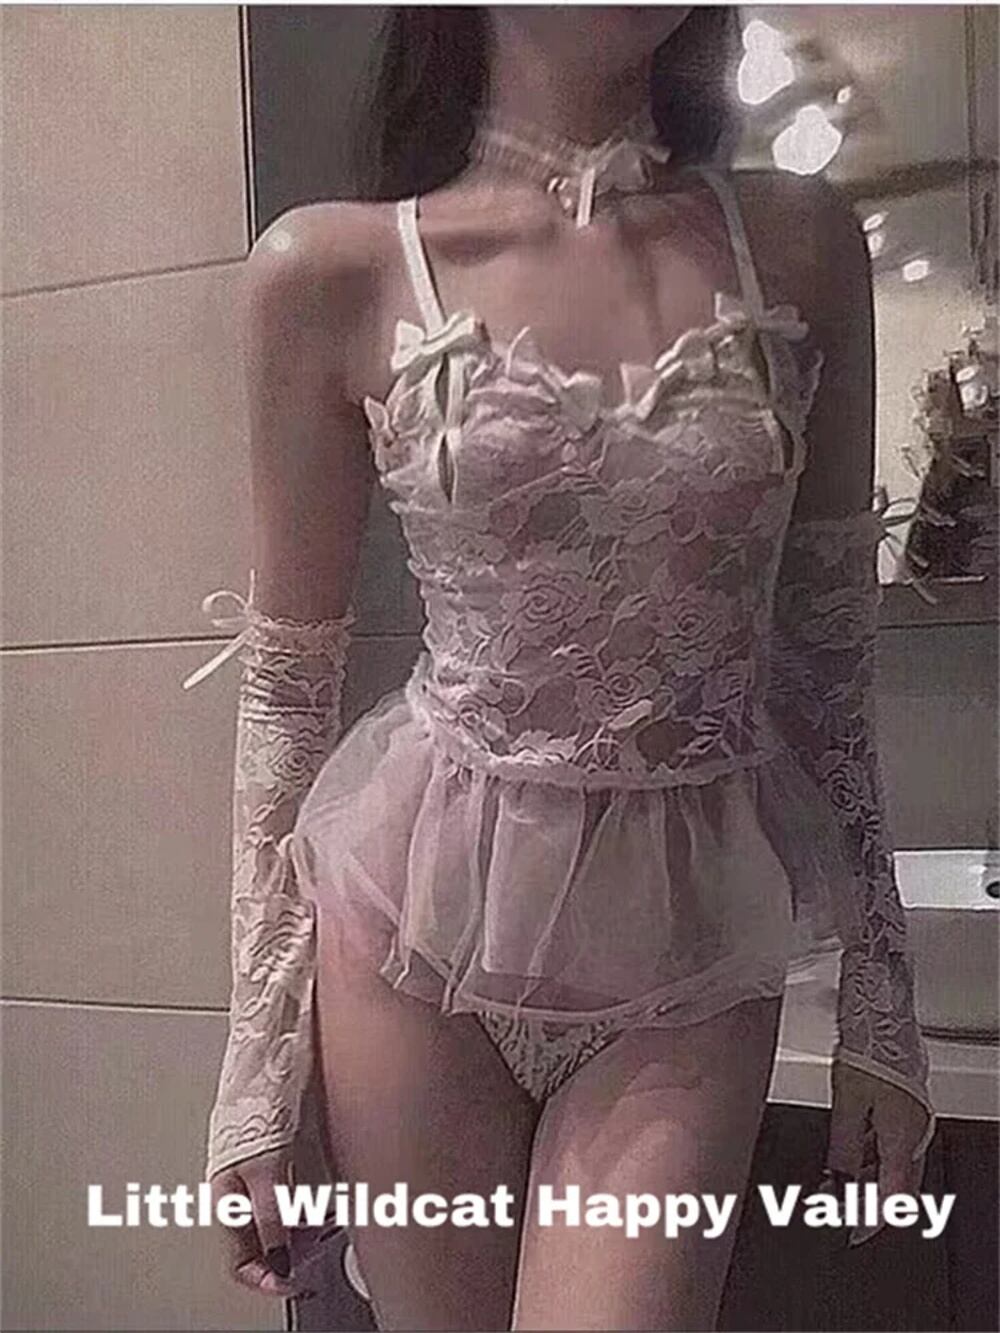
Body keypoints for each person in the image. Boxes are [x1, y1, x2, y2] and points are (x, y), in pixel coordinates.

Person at [184, 7, 937, 1329]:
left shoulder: (797, 244)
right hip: (415, 919)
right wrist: (257, 1071)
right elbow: (288, 686)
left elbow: (827, 657)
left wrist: (882, 1001)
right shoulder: (330, 269)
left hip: (692, 935)